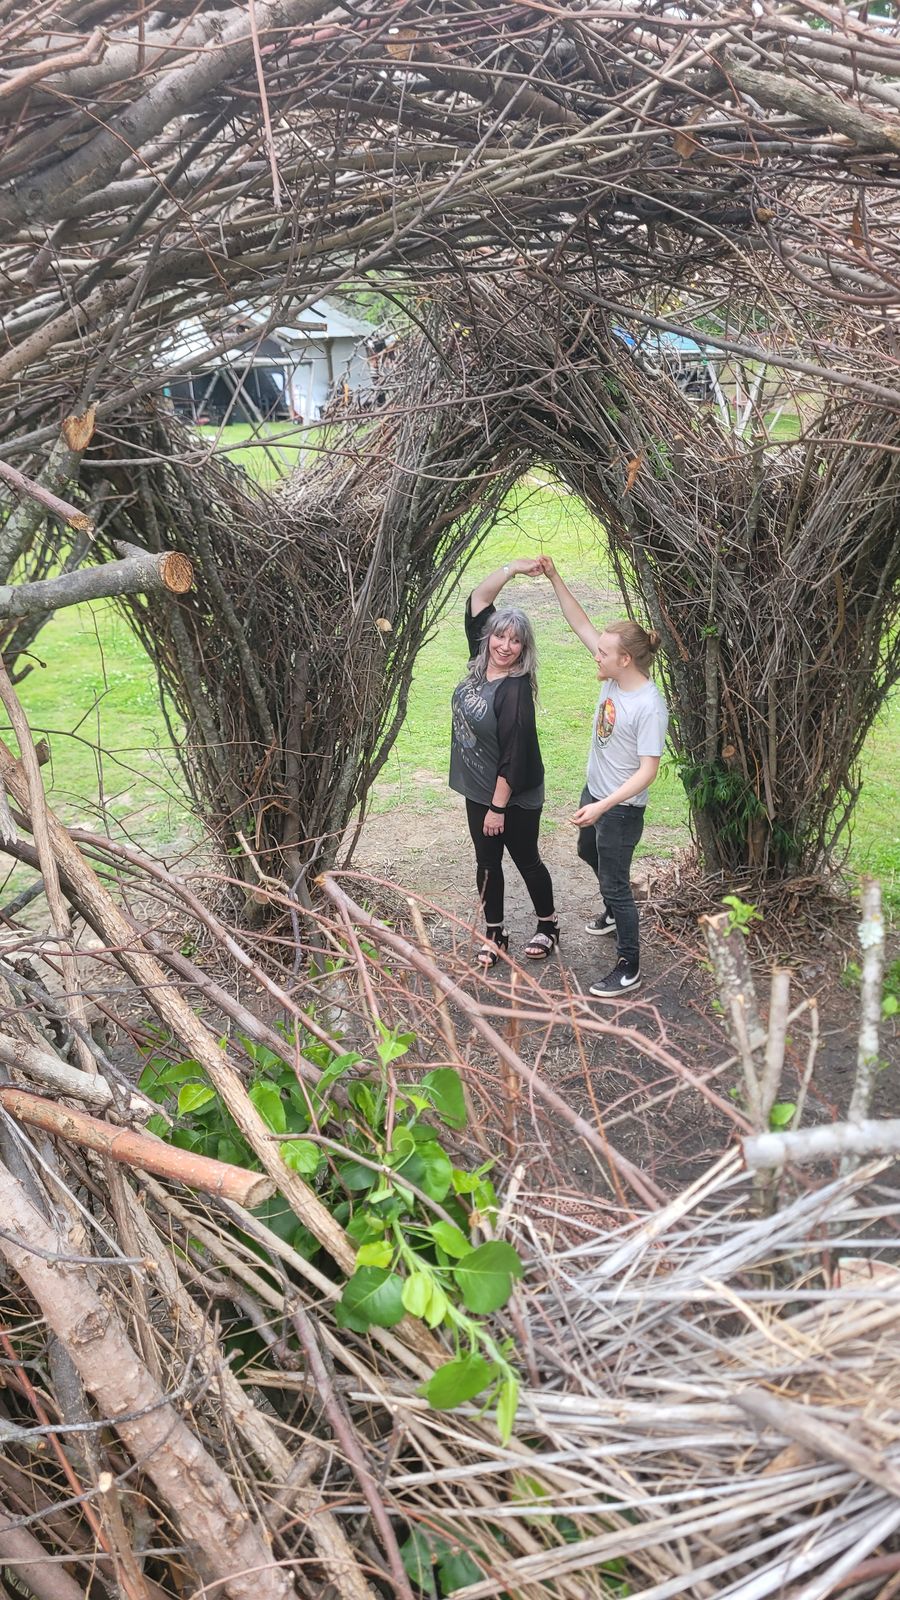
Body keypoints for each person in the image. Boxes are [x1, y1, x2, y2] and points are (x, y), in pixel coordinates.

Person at [537, 556, 668, 999]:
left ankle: (629, 966)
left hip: (620, 809)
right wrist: (555, 575)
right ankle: (613, 910)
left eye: (603, 653)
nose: (596, 654)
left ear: (624, 659)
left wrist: (603, 805)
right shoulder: (614, 678)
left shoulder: (648, 706)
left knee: (615, 881)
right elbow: (579, 622)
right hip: (596, 794)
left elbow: (648, 771)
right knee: (586, 850)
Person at [449, 560, 559, 968]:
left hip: (514, 793)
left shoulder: (515, 690)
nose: (505, 646)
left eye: (515, 641)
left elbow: (514, 757)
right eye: (499, 636)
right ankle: (495, 934)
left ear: (523, 649)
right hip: (479, 788)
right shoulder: (480, 664)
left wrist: (498, 808)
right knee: (486, 863)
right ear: (488, 638)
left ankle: (548, 925)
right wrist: (514, 568)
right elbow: (479, 599)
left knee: (526, 858)